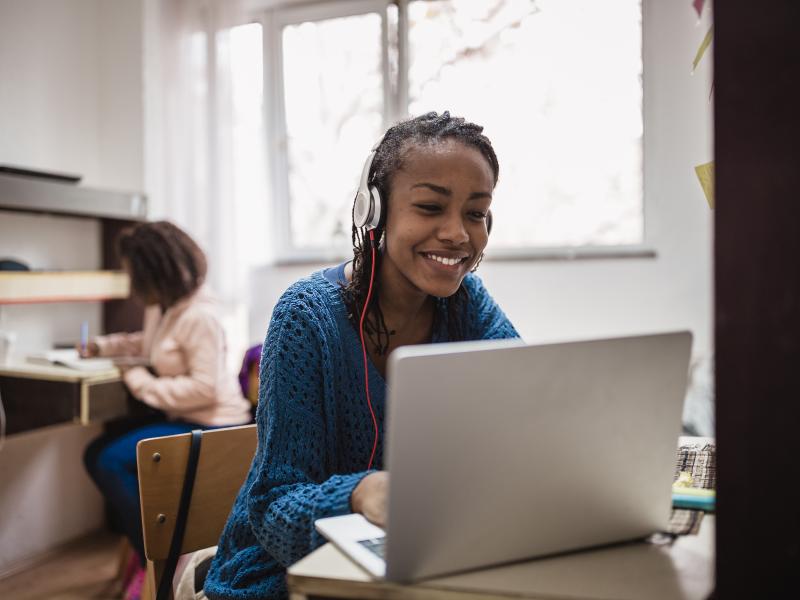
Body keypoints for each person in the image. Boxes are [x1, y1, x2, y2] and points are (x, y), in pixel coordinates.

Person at [204, 111, 519, 599]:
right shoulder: (306, 317)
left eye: (475, 213)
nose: (458, 233)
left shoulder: (467, 305)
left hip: (415, 558)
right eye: (431, 207)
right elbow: (272, 505)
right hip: (280, 574)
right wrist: (359, 493)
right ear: (374, 211)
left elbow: (529, 411)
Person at [82, 221, 251, 597]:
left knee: (108, 461)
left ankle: (159, 561)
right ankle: (156, 551)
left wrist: (139, 380)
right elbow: (154, 344)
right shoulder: (166, 308)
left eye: (132, 272)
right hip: (186, 419)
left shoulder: (199, 316)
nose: (130, 281)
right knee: (100, 451)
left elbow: (204, 389)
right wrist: (105, 347)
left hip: (216, 426)